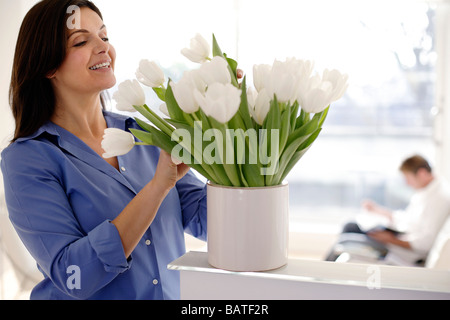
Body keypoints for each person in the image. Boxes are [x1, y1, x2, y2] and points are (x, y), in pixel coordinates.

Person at [1, 0, 207, 300]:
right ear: (47, 64)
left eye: (105, 36)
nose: (103, 48)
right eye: (82, 41)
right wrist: (157, 187)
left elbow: (208, 220)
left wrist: (230, 119)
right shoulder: (27, 159)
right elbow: (74, 276)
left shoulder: (144, 133)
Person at [326, 155, 450, 265]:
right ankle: (323, 274)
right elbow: (409, 220)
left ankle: (322, 276)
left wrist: (390, 239)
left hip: (405, 251)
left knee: (344, 240)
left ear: (422, 173)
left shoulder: (440, 198)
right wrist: (378, 211)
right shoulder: (425, 192)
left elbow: (425, 243)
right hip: (399, 236)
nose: (407, 184)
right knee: (350, 226)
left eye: (408, 178)